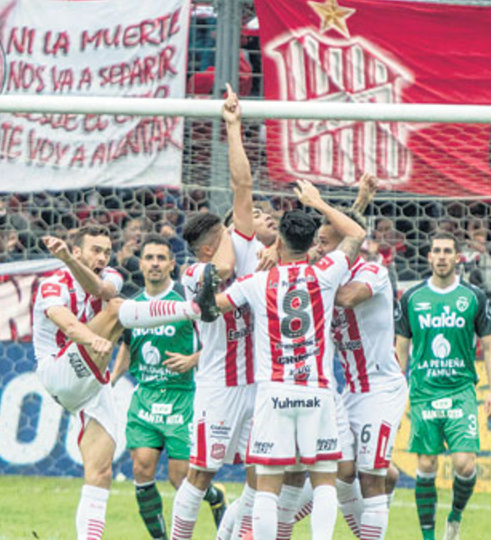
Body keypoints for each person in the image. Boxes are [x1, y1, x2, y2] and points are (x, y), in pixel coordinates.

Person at [33, 225, 218, 540]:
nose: (103, 257)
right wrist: (93, 339)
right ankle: (193, 309)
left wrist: (71, 262)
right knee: (118, 309)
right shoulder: (52, 284)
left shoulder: (111, 276)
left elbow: (102, 291)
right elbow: (64, 320)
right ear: (76, 250)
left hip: (92, 385)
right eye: (95, 250)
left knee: (100, 473)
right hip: (60, 371)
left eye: (106, 250)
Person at [211, 180, 367, 540]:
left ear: (277, 243)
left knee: (267, 482)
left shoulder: (257, 282)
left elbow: (214, 306)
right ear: (313, 245)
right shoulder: (326, 274)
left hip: (274, 392)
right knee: (325, 479)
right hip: (316, 391)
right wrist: (318, 203)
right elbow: (357, 233)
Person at [171, 84, 278, 540]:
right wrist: (238, 249)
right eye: (229, 232)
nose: (242, 229)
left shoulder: (247, 244)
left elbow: (243, 184)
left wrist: (233, 126)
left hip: (259, 382)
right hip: (217, 386)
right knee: (201, 473)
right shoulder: (194, 278)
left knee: (261, 473)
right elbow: (229, 267)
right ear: (209, 246)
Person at [310, 173, 409, 540]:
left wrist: (317, 279)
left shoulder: (373, 271)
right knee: (340, 471)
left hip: (382, 388)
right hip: (349, 390)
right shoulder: (324, 269)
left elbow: (347, 298)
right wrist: (360, 202)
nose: (317, 249)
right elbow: (346, 229)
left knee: (369, 478)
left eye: (323, 243)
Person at [111, 235, 227, 540]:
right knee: (141, 470)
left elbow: (218, 345)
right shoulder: (131, 306)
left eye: (161, 258)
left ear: (172, 264)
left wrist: (192, 360)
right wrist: (109, 382)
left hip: (183, 398)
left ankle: (215, 498)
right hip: (145, 396)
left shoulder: (185, 303)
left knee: (182, 481)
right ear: (140, 263)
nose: (154, 264)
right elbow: (126, 347)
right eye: (149, 258)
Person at [396, 232, 491, 540]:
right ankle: (429, 538)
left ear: (457, 257)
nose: (441, 256)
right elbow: (401, 348)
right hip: (424, 392)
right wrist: (395, 391)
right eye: (436, 251)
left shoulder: (473, 297)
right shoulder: (412, 298)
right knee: (426, 463)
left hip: (460, 391)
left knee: (465, 464)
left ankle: (454, 517)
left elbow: (490, 345)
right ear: (429, 257)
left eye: (447, 251)